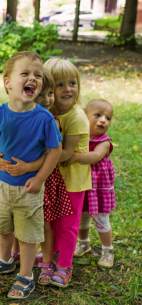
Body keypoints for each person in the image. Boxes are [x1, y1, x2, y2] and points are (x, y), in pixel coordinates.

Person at [0, 51, 62, 299]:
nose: (32, 79)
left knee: (27, 235)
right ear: (7, 82)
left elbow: (55, 150)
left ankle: (26, 276)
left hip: (28, 189)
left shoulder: (44, 118)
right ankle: (4, 260)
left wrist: (39, 178)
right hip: (2, 187)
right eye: (25, 73)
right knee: (2, 228)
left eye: (37, 75)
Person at [0, 69, 73, 285]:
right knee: (12, 223)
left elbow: (52, 153)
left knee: (38, 225)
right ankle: (10, 257)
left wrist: (31, 170)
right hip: (11, 183)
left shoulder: (47, 120)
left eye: (49, 93)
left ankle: (42, 266)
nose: (46, 99)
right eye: (42, 95)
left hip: (39, 179)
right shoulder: (4, 114)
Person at [44, 58, 92, 287]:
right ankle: (50, 258)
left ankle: (64, 265)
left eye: (72, 83)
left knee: (67, 224)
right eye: (59, 84)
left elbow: (65, 153)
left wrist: (36, 162)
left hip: (72, 179)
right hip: (53, 178)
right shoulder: (46, 112)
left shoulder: (77, 116)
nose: (68, 89)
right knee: (51, 221)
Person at [63, 99, 115, 269]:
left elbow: (96, 157)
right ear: (84, 117)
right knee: (82, 217)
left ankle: (108, 250)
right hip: (82, 185)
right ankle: (84, 243)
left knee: (101, 219)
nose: (103, 120)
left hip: (98, 188)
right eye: (98, 115)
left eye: (108, 118)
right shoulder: (79, 137)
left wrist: (76, 157)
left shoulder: (104, 142)